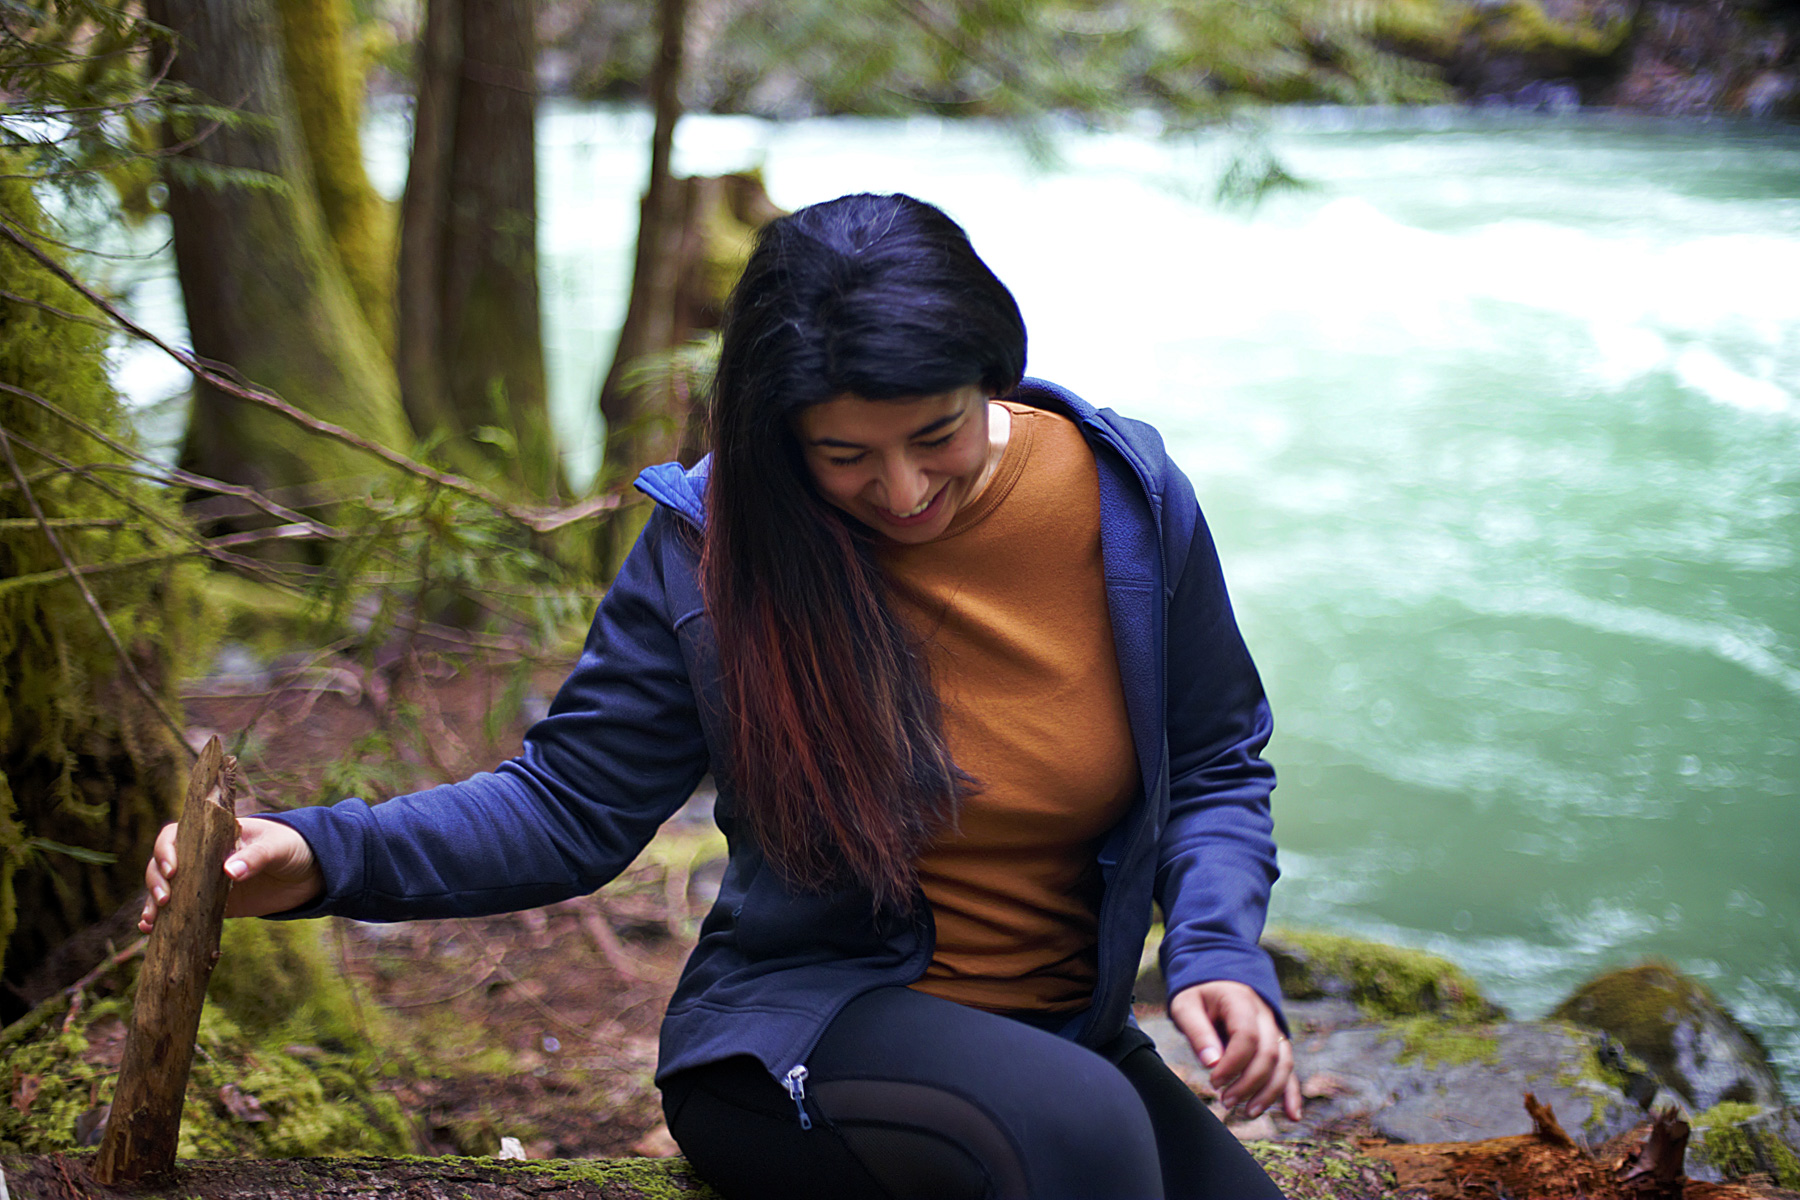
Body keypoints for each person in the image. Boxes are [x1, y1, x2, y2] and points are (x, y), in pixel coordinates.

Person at [142, 193, 1298, 1199]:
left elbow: (1213, 760)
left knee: (1100, 1129)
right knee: (1078, 1131)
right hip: (806, 1041)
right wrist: (316, 852)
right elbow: (567, 808)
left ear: (990, 375)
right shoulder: (715, 546)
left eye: (934, 436)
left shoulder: (1127, 497)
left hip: (1068, 1038)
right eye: (844, 455)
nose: (900, 492)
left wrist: (1217, 952)